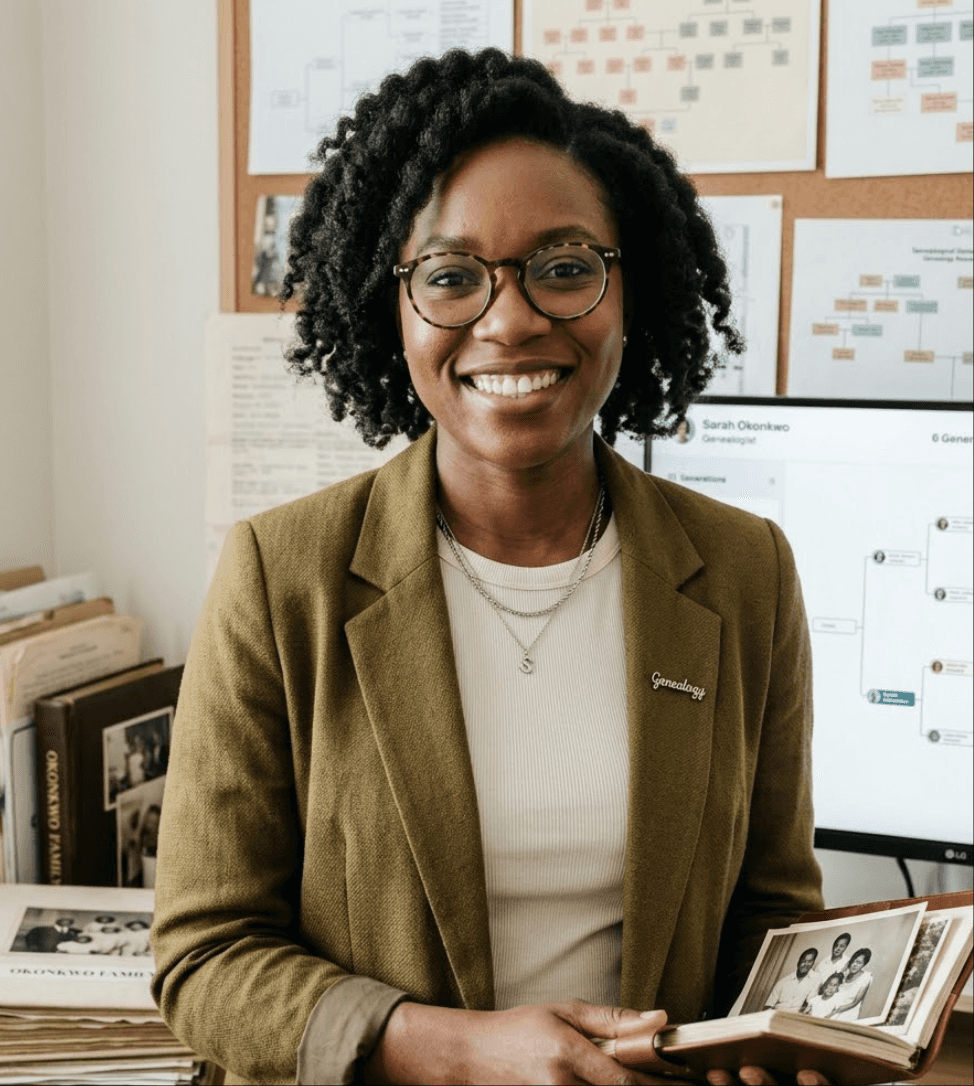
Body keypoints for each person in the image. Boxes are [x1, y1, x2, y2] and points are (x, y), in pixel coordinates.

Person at [151, 49, 824, 1086]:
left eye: (565, 267)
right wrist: (460, 1052)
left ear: (630, 291)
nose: (510, 321)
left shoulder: (746, 573)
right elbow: (205, 959)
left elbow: (772, 917)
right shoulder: (279, 579)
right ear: (393, 308)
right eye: (452, 277)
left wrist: (774, 1044)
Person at [831, 949, 874, 1022]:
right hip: (834, 1009)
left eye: (858, 963)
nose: (854, 965)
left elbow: (855, 1003)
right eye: (853, 961)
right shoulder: (845, 975)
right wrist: (844, 969)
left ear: (863, 964)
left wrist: (835, 1011)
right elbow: (832, 985)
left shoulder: (866, 977)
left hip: (848, 1013)